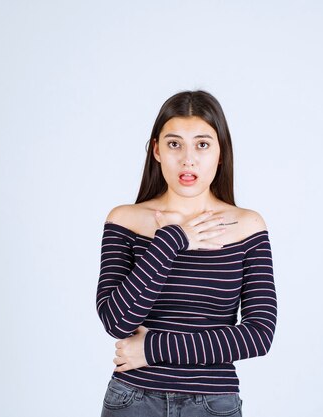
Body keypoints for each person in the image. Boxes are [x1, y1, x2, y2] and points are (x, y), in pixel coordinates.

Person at [96, 90, 277, 417]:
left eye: (203, 144)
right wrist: (174, 239)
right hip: (133, 400)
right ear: (156, 150)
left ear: (221, 153)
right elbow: (117, 320)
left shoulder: (247, 226)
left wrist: (151, 349)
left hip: (212, 403)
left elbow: (258, 335)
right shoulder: (125, 220)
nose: (188, 159)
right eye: (174, 144)